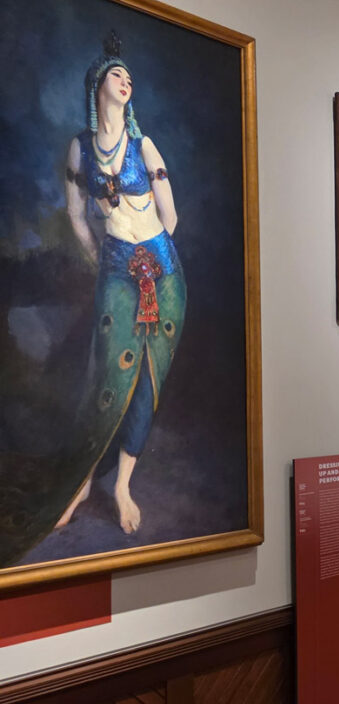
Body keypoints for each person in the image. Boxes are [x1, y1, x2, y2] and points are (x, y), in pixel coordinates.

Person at [58, 30, 186, 535]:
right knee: (106, 377)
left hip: (164, 273)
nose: (126, 80)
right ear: (98, 85)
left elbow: (170, 215)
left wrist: (153, 257)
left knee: (146, 382)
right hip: (115, 269)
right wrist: (106, 257)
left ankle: (122, 485)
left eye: (130, 76)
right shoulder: (79, 149)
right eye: (117, 74)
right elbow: (75, 215)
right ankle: (84, 480)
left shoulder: (145, 144)